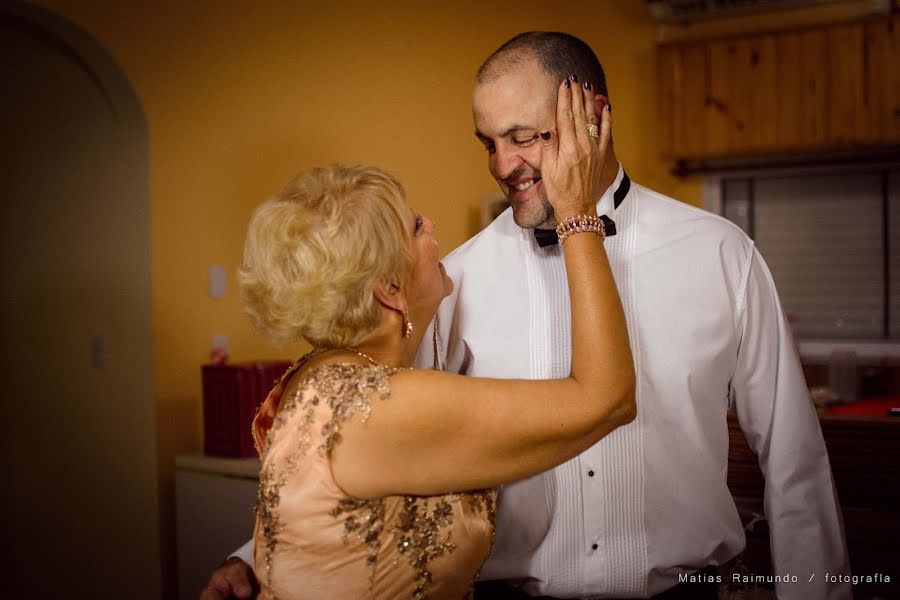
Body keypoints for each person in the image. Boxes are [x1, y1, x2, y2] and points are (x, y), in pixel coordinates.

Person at [205, 31, 851, 600]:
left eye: (522, 137)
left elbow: (794, 462)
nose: (502, 165)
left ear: (593, 116)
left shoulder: (721, 254)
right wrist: (255, 561)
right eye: (488, 142)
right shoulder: (454, 278)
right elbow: (366, 452)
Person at [205, 80, 636, 600]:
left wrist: (252, 560)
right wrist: (577, 212)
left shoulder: (318, 377)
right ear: (389, 289)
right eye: (414, 226)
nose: (431, 225)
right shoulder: (381, 404)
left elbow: (330, 526)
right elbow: (606, 397)